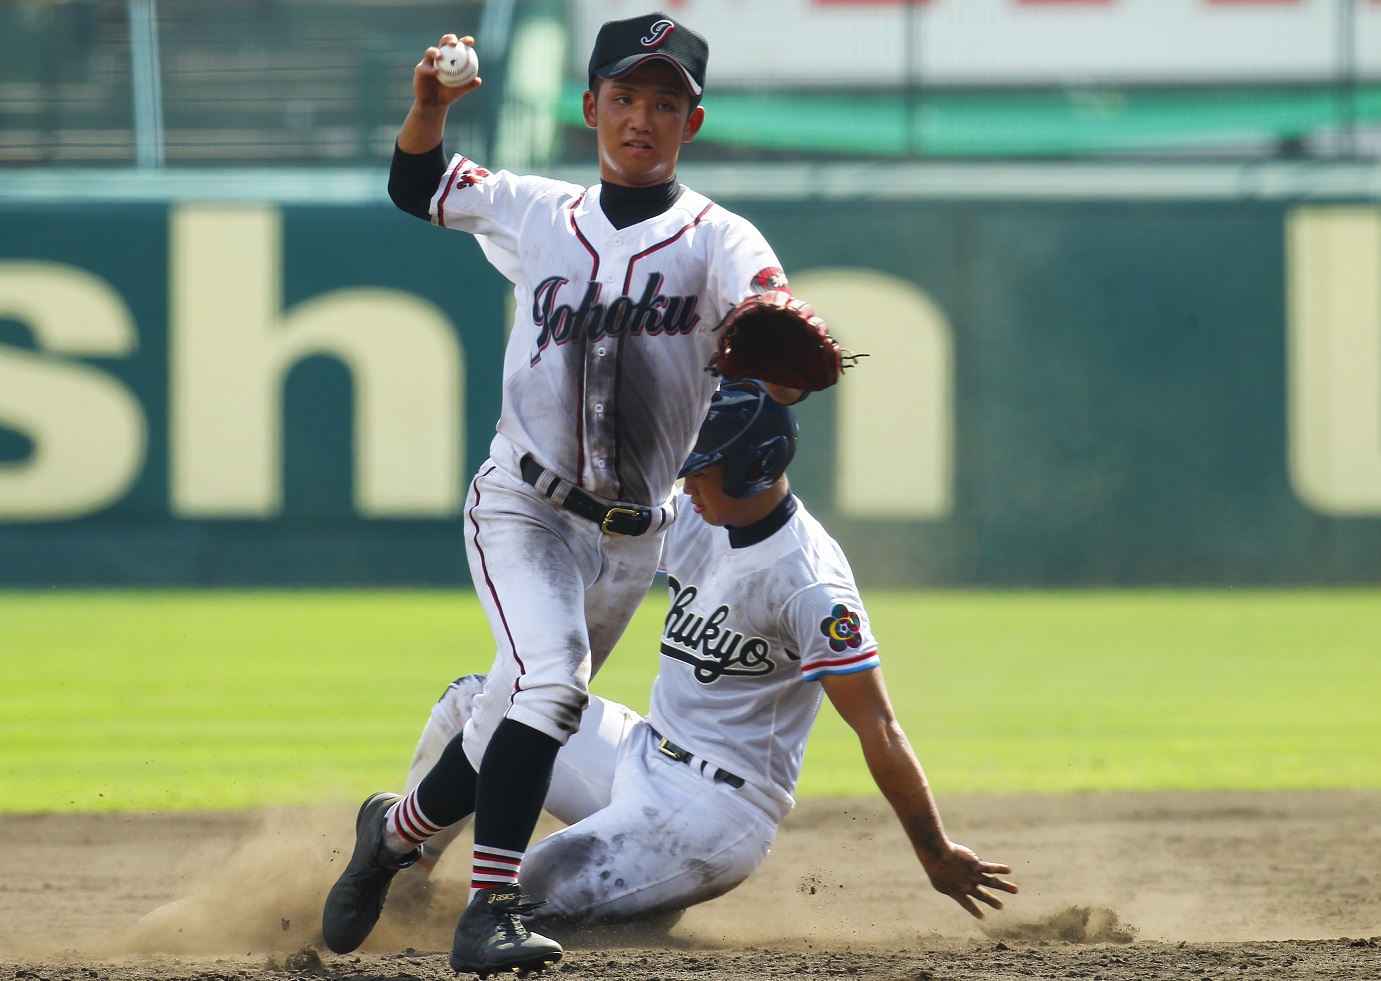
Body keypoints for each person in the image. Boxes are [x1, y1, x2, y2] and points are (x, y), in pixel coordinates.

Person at [321, 12, 813, 979]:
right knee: (552, 686)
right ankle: (489, 911)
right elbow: (415, 183)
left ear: (692, 121)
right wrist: (427, 107)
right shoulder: (535, 209)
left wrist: (779, 344)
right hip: (524, 503)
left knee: (513, 706)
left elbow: (777, 327)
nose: (641, 117)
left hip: (634, 535)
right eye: (625, 96)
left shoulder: (722, 238)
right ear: (590, 106)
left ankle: (394, 832)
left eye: (664, 102)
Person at [388, 382, 1019, 931]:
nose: (687, 484)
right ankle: (408, 878)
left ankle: (641, 882)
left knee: (526, 889)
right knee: (474, 704)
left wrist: (933, 850)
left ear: (755, 467)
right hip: (641, 751)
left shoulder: (810, 585)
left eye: (702, 469)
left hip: (718, 813)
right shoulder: (697, 516)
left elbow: (877, 726)